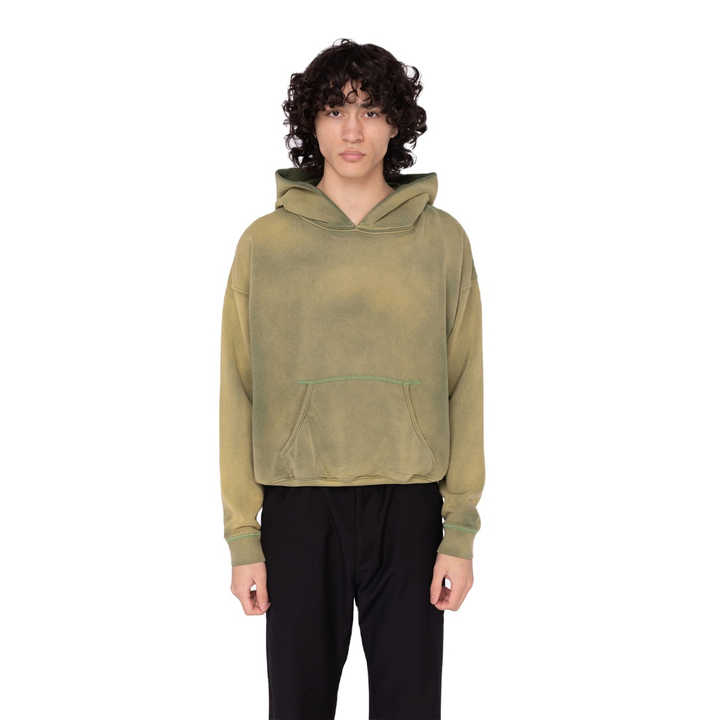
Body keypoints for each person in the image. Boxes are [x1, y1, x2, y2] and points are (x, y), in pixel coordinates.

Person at [219, 38, 485, 720]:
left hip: (411, 508)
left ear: (397, 123)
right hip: (299, 509)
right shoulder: (265, 244)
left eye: (371, 110)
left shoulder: (441, 241)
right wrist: (243, 537)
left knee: (410, 708)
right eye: (335, 111)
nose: (353, 130)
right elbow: (238, 389)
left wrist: (459, 532)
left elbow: (465, 384)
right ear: (311, 123)